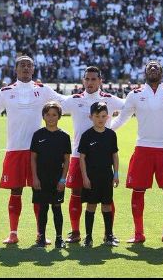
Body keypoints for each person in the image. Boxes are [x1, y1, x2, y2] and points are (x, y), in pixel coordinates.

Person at [110, 60, 163, 244]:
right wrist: (104, 131)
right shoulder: (135, 94)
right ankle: (139, 233)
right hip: (143, 149)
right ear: (145, 72)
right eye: (150, 67)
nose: (153, 68)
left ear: (162, 72)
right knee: (138, 191)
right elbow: (122, 118)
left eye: (157, 67)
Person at [0, 55, 65, 245]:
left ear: (33, 69)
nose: (26, 68)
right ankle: (13, 232)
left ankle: (40, 233)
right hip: (15, 149)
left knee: (40, 193)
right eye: (22, 65)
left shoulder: (43, 90)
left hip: (39, 151)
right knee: (16, 192)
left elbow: (65, 102)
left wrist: (86, 97)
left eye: (29, 65)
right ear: (16, 69)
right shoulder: (5, 92)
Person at [60, 65, 124, 244]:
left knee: (106, 196)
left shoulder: (109, 99)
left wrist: (114, 126)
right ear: (83, 80)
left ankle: (108, 234)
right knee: (76, 193)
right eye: (87, 79)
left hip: (102, 158)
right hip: (78, 155)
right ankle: (75, 232)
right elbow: (54, 110)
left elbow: (130, 108)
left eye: (93, 79)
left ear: (100, 81)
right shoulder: (74, 100)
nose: (90, 82)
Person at [78, 102, 119, 247]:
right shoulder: (87, 135)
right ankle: (88, 237)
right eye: (97, 116)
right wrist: (85, 177)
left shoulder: (111, 134)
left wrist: (116, 174)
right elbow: (82, 158)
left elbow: (114, 156)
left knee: (107, 206)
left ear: (107, 117)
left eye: (103, 116)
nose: (100, 119)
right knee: (91, 206)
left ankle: (108, 236)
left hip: (107, 176)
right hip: (91, 177)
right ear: (91, 117)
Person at [30, 102, 71, 249]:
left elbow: (67, 160)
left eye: (54, 115)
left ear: (59, 116)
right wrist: (34, 177)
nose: (51, 118)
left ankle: (59, 238)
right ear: (43, 116)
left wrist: (63, 179)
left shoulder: (64, 136)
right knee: (43, 207)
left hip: (57, 179)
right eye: (48, 114)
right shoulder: (38, 135)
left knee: (57, 207)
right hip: (41, 178)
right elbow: (33, 158)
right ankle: (41, 237)